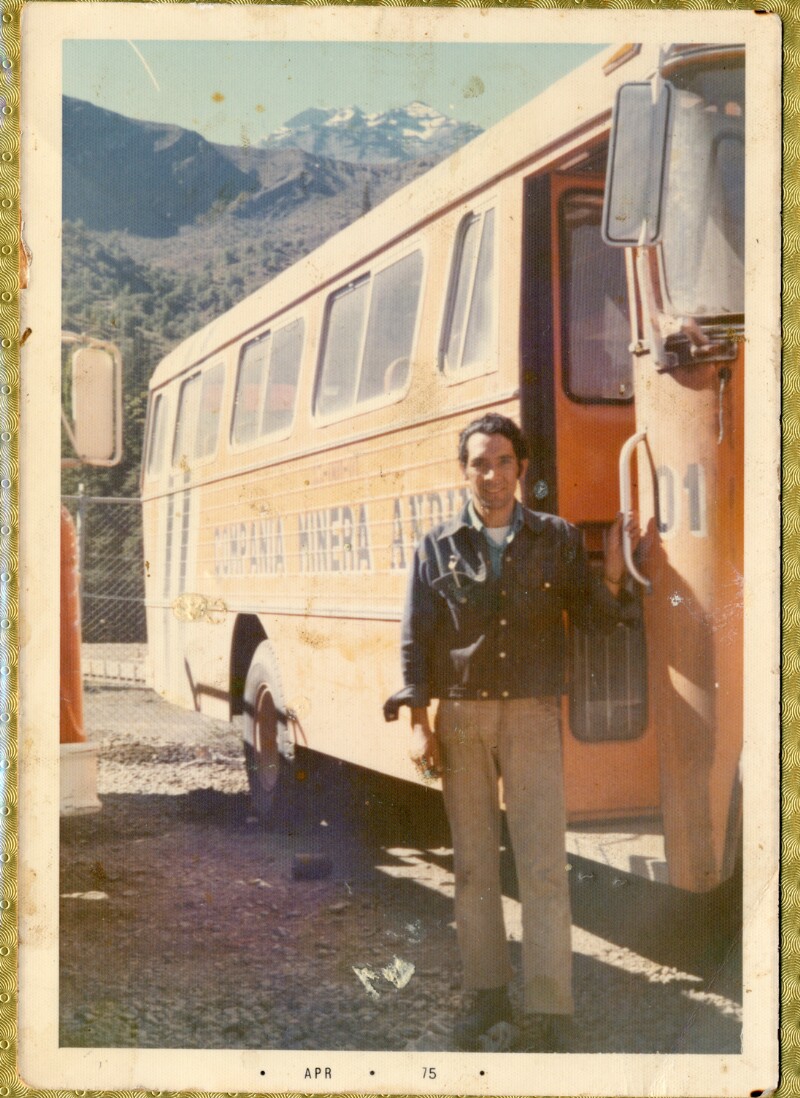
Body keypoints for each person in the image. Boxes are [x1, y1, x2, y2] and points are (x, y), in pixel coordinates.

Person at [384, 413, 638, 1051]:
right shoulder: (436, 545)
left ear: (521, 468)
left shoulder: (555, 538)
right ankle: (486, 996)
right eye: (479, 463)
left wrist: (611, 574)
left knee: (543, 866)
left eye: (502, 461)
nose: (491, 475)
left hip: (531, 717)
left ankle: (551, 1010)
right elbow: (417, 639)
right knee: (473, 866)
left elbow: (595, 620)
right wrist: (419, 723)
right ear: (463, 471)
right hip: (462, 719)